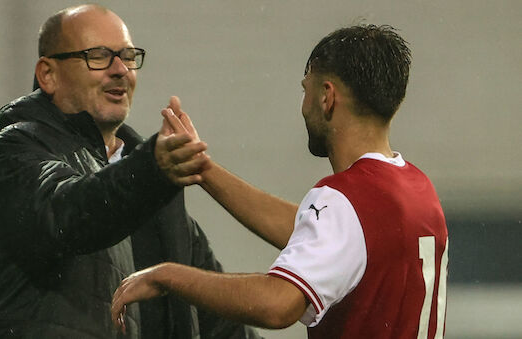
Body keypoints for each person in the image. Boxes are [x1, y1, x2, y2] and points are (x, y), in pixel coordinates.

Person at [111, 24, 449, 338]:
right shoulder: (416, 188)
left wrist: (170, 276)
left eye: (307, 89)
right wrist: (204, 171)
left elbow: (278, 305)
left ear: (326, 96)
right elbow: (323, 235)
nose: (303, 105)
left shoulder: (344, 198)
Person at [0, 4, 261, 339]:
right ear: (48, 74)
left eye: (127, 56)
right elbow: (70, 214)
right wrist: (152, 169)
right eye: (98, 55)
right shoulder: (13, 152)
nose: (120, 70)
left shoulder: (158, 197)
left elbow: (221, 325)